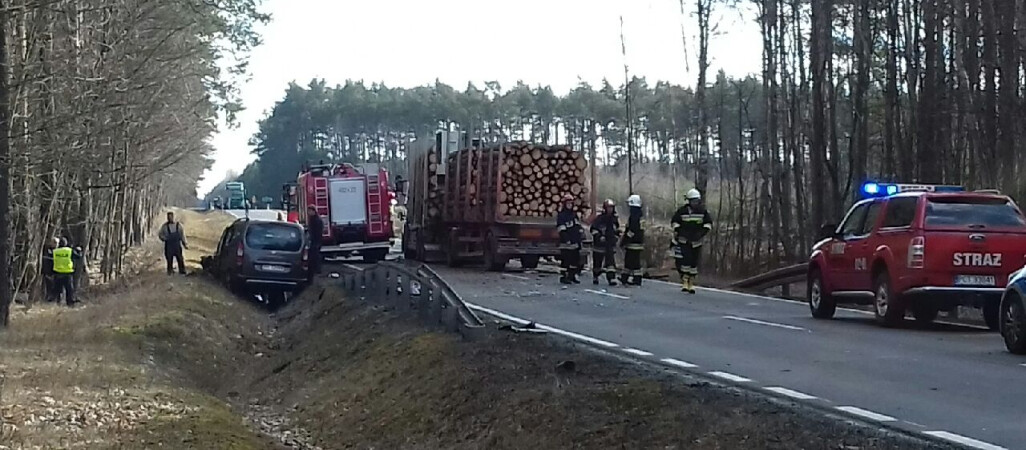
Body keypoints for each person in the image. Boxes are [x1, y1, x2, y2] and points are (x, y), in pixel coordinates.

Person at [671, 188, 714, 294]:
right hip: (684, 241)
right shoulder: (682, 211)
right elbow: (674, 222)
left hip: (696, 242)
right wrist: (681, 232)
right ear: (689, 201)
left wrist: (701, 233)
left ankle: (691, 282)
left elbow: (708, 224)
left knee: (694, 263)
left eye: (696, 201)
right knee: (686, 261)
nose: (695, 203)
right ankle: (685, 281)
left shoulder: (703, 212)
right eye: (693, 201)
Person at [590, 199, 620, 286]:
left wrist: (616, 237)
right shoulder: (599, 219)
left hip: (610, 245)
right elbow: (593, 230)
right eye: (608, 208)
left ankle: (611, 278)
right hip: (599, 245)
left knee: (610, 263)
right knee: (597, 263)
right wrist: (599, 237)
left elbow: (617, 230)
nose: (610, 209)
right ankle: (596, 276)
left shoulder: (614, 219)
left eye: (611, 208)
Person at [556, 193, 583, 284]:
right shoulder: (561, 216)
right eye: (568, 203)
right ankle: (564, 276)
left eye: (571, 203)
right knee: (566, 261)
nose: (569, 205)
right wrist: (566, 239)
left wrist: (580, 234)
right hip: (566, 243)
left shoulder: (574, 215)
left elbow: (578, 226)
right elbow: (561, 229)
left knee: (575, 261)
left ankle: (572, 276)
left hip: (575, 242)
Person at [619, 194, 645, 286]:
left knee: (631, 261)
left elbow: (632, 230)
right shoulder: (640, 215)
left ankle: (632, 279)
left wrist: (624, 240)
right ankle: (626, 277)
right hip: (638, 242)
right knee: (633, 261)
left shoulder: (634, 216)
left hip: (633, 243)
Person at [51, 238, 78, 306]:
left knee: (57, 289)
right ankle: (70, 303)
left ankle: (57, 303)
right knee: (69, 290)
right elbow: (78, 256)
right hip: (67, 273)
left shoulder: (55, 251)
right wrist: (79, 250)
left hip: (57, 273)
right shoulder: (69, 251)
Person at [306, 207, 324, 276]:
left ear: (313, 211)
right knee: (313, 255)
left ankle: (317, 269)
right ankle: (314, 269)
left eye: (309, 211)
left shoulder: (317, 220)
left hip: (316, 240)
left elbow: (317, 232)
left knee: (316, 255)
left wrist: (313, 238)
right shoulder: (312, 219)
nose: (308, 212)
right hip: (314, 240)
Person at [41, 237, 58, 302]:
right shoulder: (47, 249)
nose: (56, 244)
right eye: (54, 242)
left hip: (57, 271)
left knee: (56, 287)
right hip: (48, 271)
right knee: (48, 285)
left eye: (57, 243)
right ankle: (47, 298)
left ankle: (55, 299)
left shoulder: (59, 250)